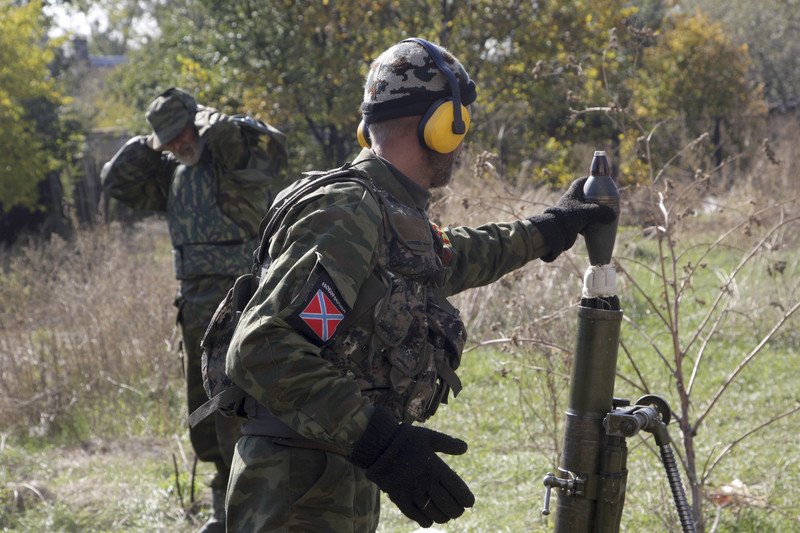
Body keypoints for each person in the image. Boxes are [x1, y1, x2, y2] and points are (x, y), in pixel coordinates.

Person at [224, 38, 616, 532]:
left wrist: (550, 228)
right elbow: (262, 347)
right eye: (463, 124)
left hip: (324, 474)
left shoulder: (385, 212)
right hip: (295, 489)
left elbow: (452, 258)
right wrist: (381, 443)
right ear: (443, 125)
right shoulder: (348, 211)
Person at [100, 87, 288, 533]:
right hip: (194, 307)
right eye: (166, 140)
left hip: (240, 299)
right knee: (204, 410)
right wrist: (152, 141)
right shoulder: (174, 172)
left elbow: (248, 138)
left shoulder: (230, 154)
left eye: (180, 134)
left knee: (237, 406)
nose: (176, 145)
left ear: (198, 121)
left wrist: (202, 120)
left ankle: (257, 510)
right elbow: (116, 180)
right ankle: (225, 509)